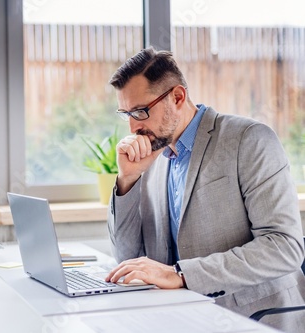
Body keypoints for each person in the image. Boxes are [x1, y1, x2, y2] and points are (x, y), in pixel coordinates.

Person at [104, 46, 305, 332]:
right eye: (126, 114)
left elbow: (284, 247)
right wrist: (128, 180)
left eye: (140, 111)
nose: (134, 127)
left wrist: (182, 274)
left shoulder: (249, 139)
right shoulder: (153, 157)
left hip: (254, 318)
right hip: (181, 318)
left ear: (177, 97)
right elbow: (128, 257)